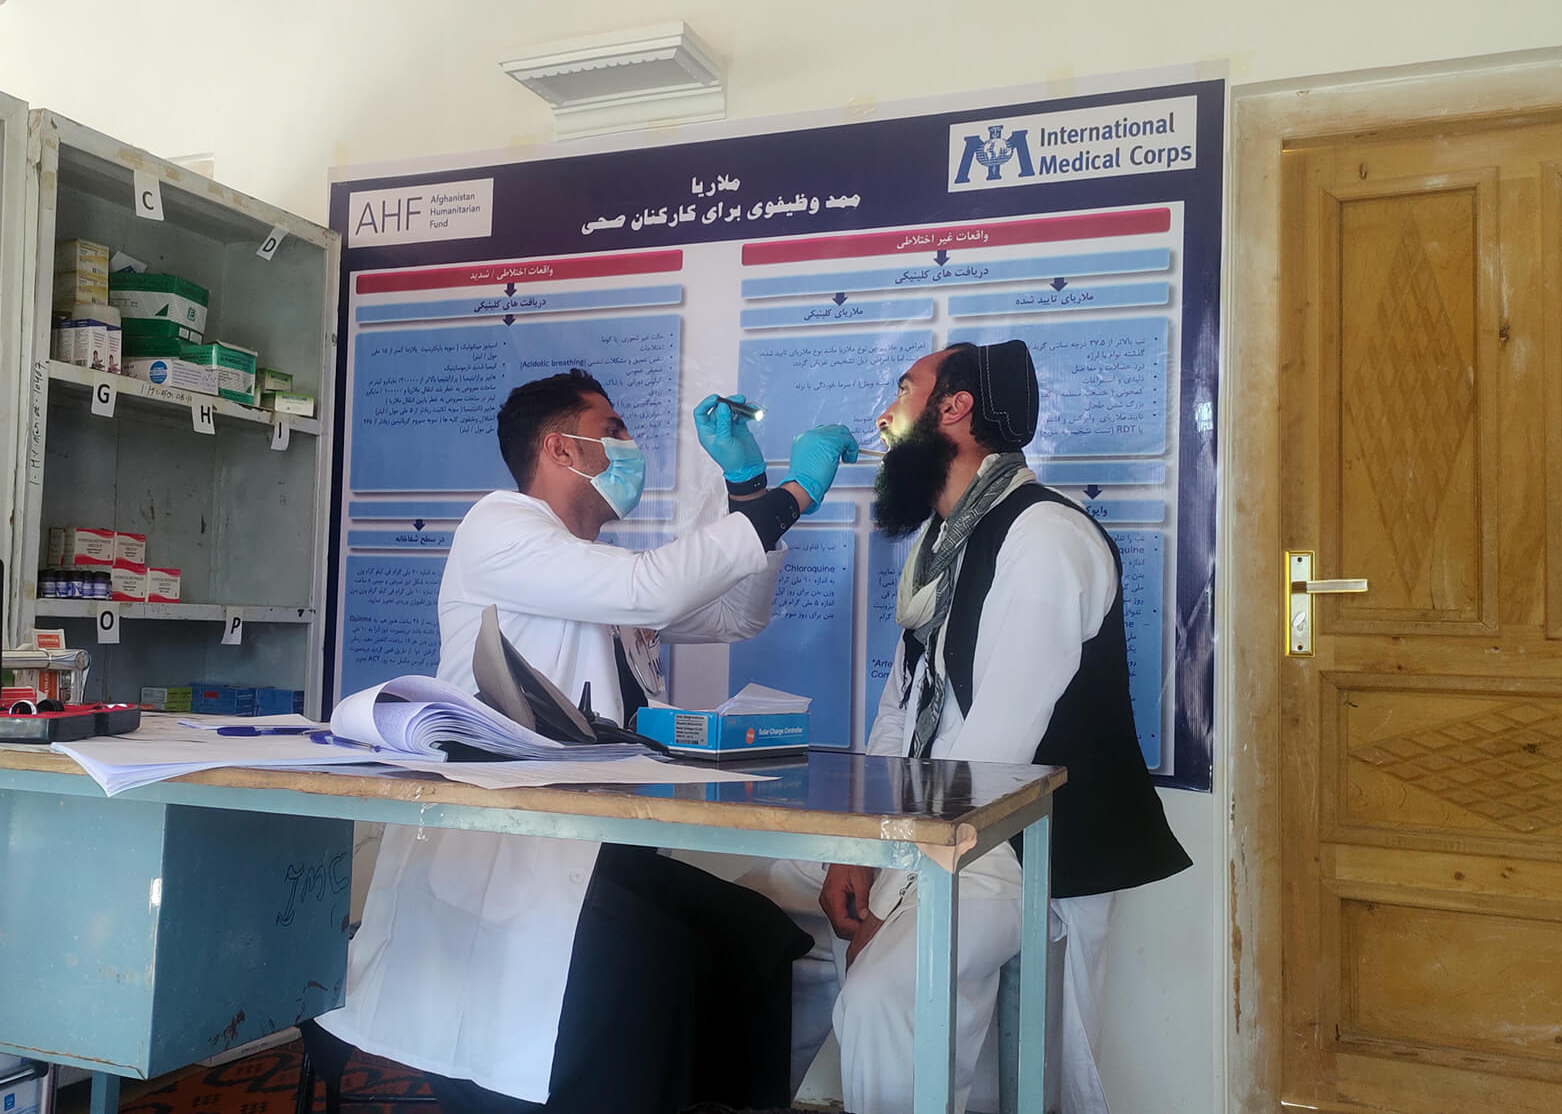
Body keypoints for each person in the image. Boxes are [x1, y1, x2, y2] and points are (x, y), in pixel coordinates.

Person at [319, 369, 861, 1114]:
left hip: (596, 848)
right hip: (509, 857)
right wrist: (791, 496)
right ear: (559, 447)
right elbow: (653, 588)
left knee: (756, 939)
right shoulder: (498, 527)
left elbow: (736, 614)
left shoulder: (599, 575)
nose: (631, 446)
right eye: (613, 430)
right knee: (649, 969)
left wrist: (747, 481)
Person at [819, 340, 1193, 1114]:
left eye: (903, 392)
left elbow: (990, 755)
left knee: (879, 995)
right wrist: (851, 849)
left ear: (954, 409)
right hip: (948, 830)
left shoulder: (1046, 539)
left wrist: (887, 898)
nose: (885, 418)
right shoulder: (940, 546)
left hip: (1018, 845)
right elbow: (903, 709)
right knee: (765, 924)